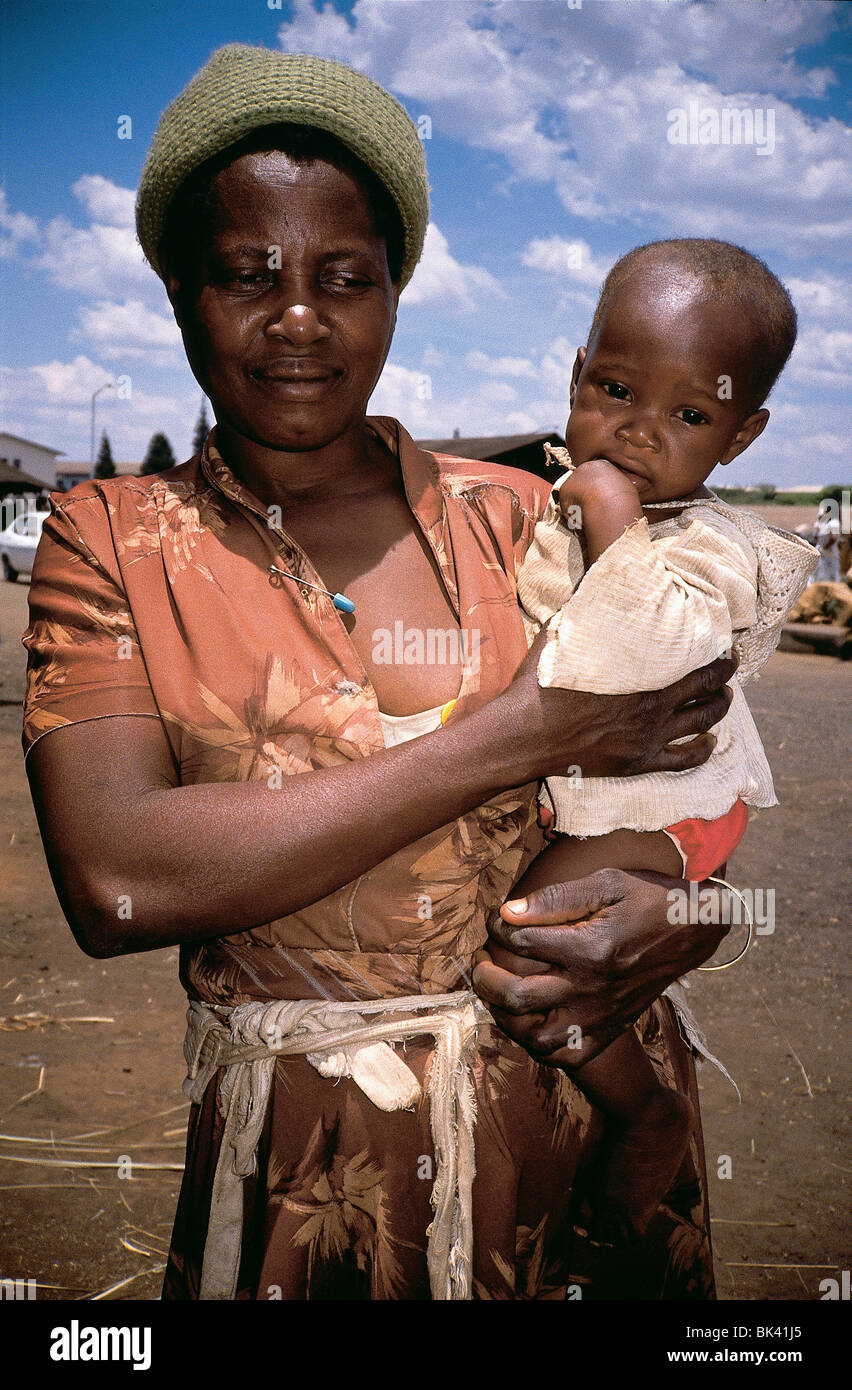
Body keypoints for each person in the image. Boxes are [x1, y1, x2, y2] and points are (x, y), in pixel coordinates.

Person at [22, 45, 737, 1300]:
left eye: (345, 278)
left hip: (581, 1127)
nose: (298, 316)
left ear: (397, 291)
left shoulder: (531, 519)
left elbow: (693, 762)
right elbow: (117, 874)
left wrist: (689, 919)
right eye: (247, 274)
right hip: (317, 1166)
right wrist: (525, 730)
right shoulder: (112, 545)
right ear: (181, 292)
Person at [487, 240, 818, 1242]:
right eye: (616, 387)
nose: (636, 431)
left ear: (742, 435)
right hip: (616, 796)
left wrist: (614, 521)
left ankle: (647, 1113)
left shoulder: (714, 545)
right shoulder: (554, 496)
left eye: (688, 415)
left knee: (528, 934)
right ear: (574, 372)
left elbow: (649, 649)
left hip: (670, 810)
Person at [813, 499, 842, 583]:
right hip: (822, 553)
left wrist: (825, 547)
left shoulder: (834, 523)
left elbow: (833, 538)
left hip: (829, 554)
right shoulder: (826, 523)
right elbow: (817, 537)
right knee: (819, 575)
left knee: (828, 577)